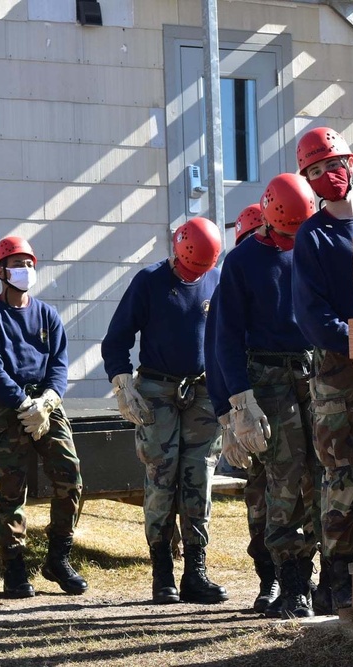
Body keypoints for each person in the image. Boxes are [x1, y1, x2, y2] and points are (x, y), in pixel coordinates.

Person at [101, 217, 227, 605]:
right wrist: (122, 383)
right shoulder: (150, 281)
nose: (195, 275)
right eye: (191, 267)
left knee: (198, 479)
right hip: (157, 390)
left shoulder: (216, 280)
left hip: (203, 391)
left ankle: (195, 571)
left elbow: (229, 337)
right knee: (160, 476)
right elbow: (117, 338)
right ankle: (162, 572)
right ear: (178, 250)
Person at [214, 173, 321, 618]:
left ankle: (329, 575)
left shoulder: (315, 245)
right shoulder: (242, 262)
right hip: (268, 375)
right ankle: (291, 580)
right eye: (286, 233)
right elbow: (224, 338)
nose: (293, 241)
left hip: (315, 368)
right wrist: (238, 403)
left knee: (325, 472)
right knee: (284, 477)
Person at [0, 236, 87, 599]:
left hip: (48, 405)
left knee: (70, 477)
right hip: (10, 408)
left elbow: (59, 364)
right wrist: (24, 406)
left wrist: (48, 402)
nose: (25, 270)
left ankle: (58, 558)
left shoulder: (47, 315)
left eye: (29, 264)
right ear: (1, 272)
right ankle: (15, 568)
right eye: (17, 264)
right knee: (12, 487)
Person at [293, 127, 353, 612]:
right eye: (314, 171)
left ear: (348, 162)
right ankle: (336, 575)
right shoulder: (312, 236)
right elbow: (311, 317)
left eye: (332, 164)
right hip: (338, 369)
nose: (328, 176)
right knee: (341, 470)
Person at [206, 203, 280, 615]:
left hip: (287, 396)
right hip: (246, 404)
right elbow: (216, 355)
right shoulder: (229, 288)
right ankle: (268, 579)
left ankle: (302, 576)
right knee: (261, 496)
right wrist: (227, 419)